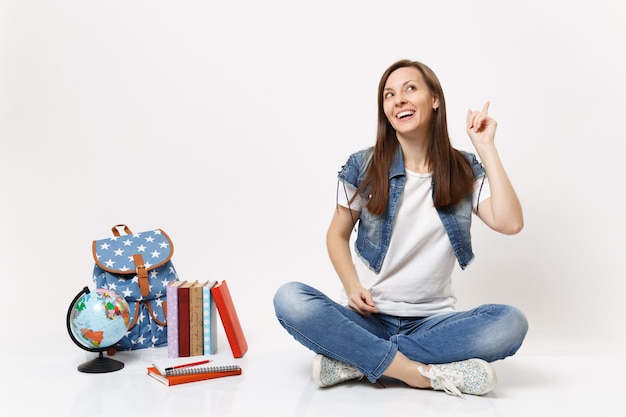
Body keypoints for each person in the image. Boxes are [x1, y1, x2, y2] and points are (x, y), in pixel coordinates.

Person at [273, 59, 528, 398]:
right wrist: (351, 286)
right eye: (389, 95)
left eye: (410, 89)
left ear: (434, 98)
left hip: (432, 322)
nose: (399, 100)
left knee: (510, 323)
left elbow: (510, 223)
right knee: (290, 299)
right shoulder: (363, 165)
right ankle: (419, 373)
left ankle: (355, 360)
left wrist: (486, 147)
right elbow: (336, 235)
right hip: (370, 316)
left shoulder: (463, 169)